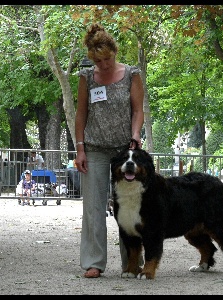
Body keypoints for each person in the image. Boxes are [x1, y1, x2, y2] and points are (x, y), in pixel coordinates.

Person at [74, 23, 144, 278]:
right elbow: (81, 115)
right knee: (93, 208)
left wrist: (135, 134)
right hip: (94, 150)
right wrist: (80, 149)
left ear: (115, 52)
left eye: (107, 59)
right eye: (98, 61)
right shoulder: (86, 78)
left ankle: (133, 261)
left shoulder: (131, 75)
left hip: (124, 151)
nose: (103, 65)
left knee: (128, 207)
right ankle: (94, 261)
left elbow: (138, 111)